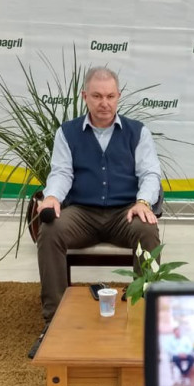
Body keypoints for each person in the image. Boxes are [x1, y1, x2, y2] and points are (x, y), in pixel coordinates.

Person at [35, 67, 161, 327]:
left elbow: (150, 174)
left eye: (111, 96)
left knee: (147, 230)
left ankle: (142, 313)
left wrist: (143, 202)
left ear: (119, 96)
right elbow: (61, 173)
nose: (105, 103)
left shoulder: (138, 132)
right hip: (82, 213)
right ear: (84, 97)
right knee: (50, 231)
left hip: (124, 213)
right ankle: (55, 319)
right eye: (97, 96)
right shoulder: (67, 133)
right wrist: (52, 197)